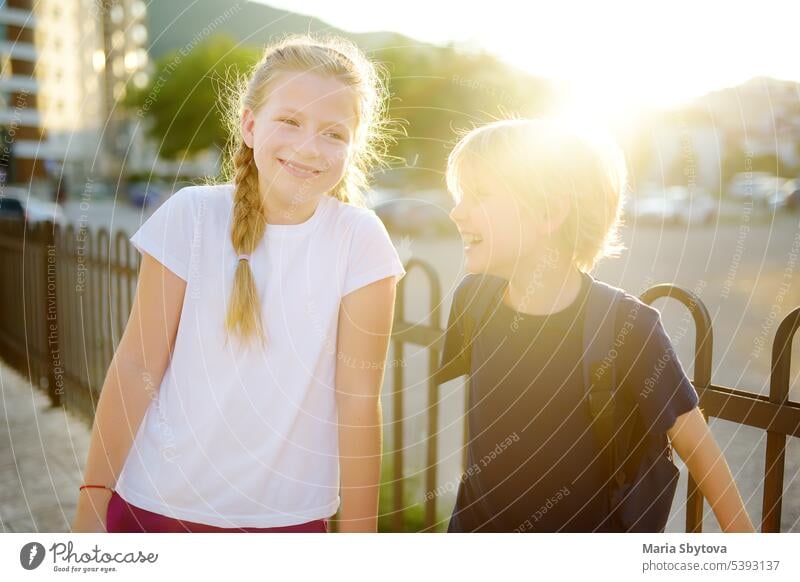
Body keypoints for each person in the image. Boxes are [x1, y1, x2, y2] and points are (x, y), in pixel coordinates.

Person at [72, 34, 406, 533]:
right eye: (290, 121)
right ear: (250, 125)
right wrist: (89, 510)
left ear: (353, 145)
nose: (308, 147)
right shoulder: (192, 215)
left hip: (287, 521)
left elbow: (359, 399)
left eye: (334, 133)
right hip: (155, 507)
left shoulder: (360, 240)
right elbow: (138, 365)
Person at [438, 118, 754, 532]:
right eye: (460, 196)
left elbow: (696, 444)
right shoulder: (472, 300)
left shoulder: (627, 326)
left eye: (479, 195)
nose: (456, 212)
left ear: (550, 212)